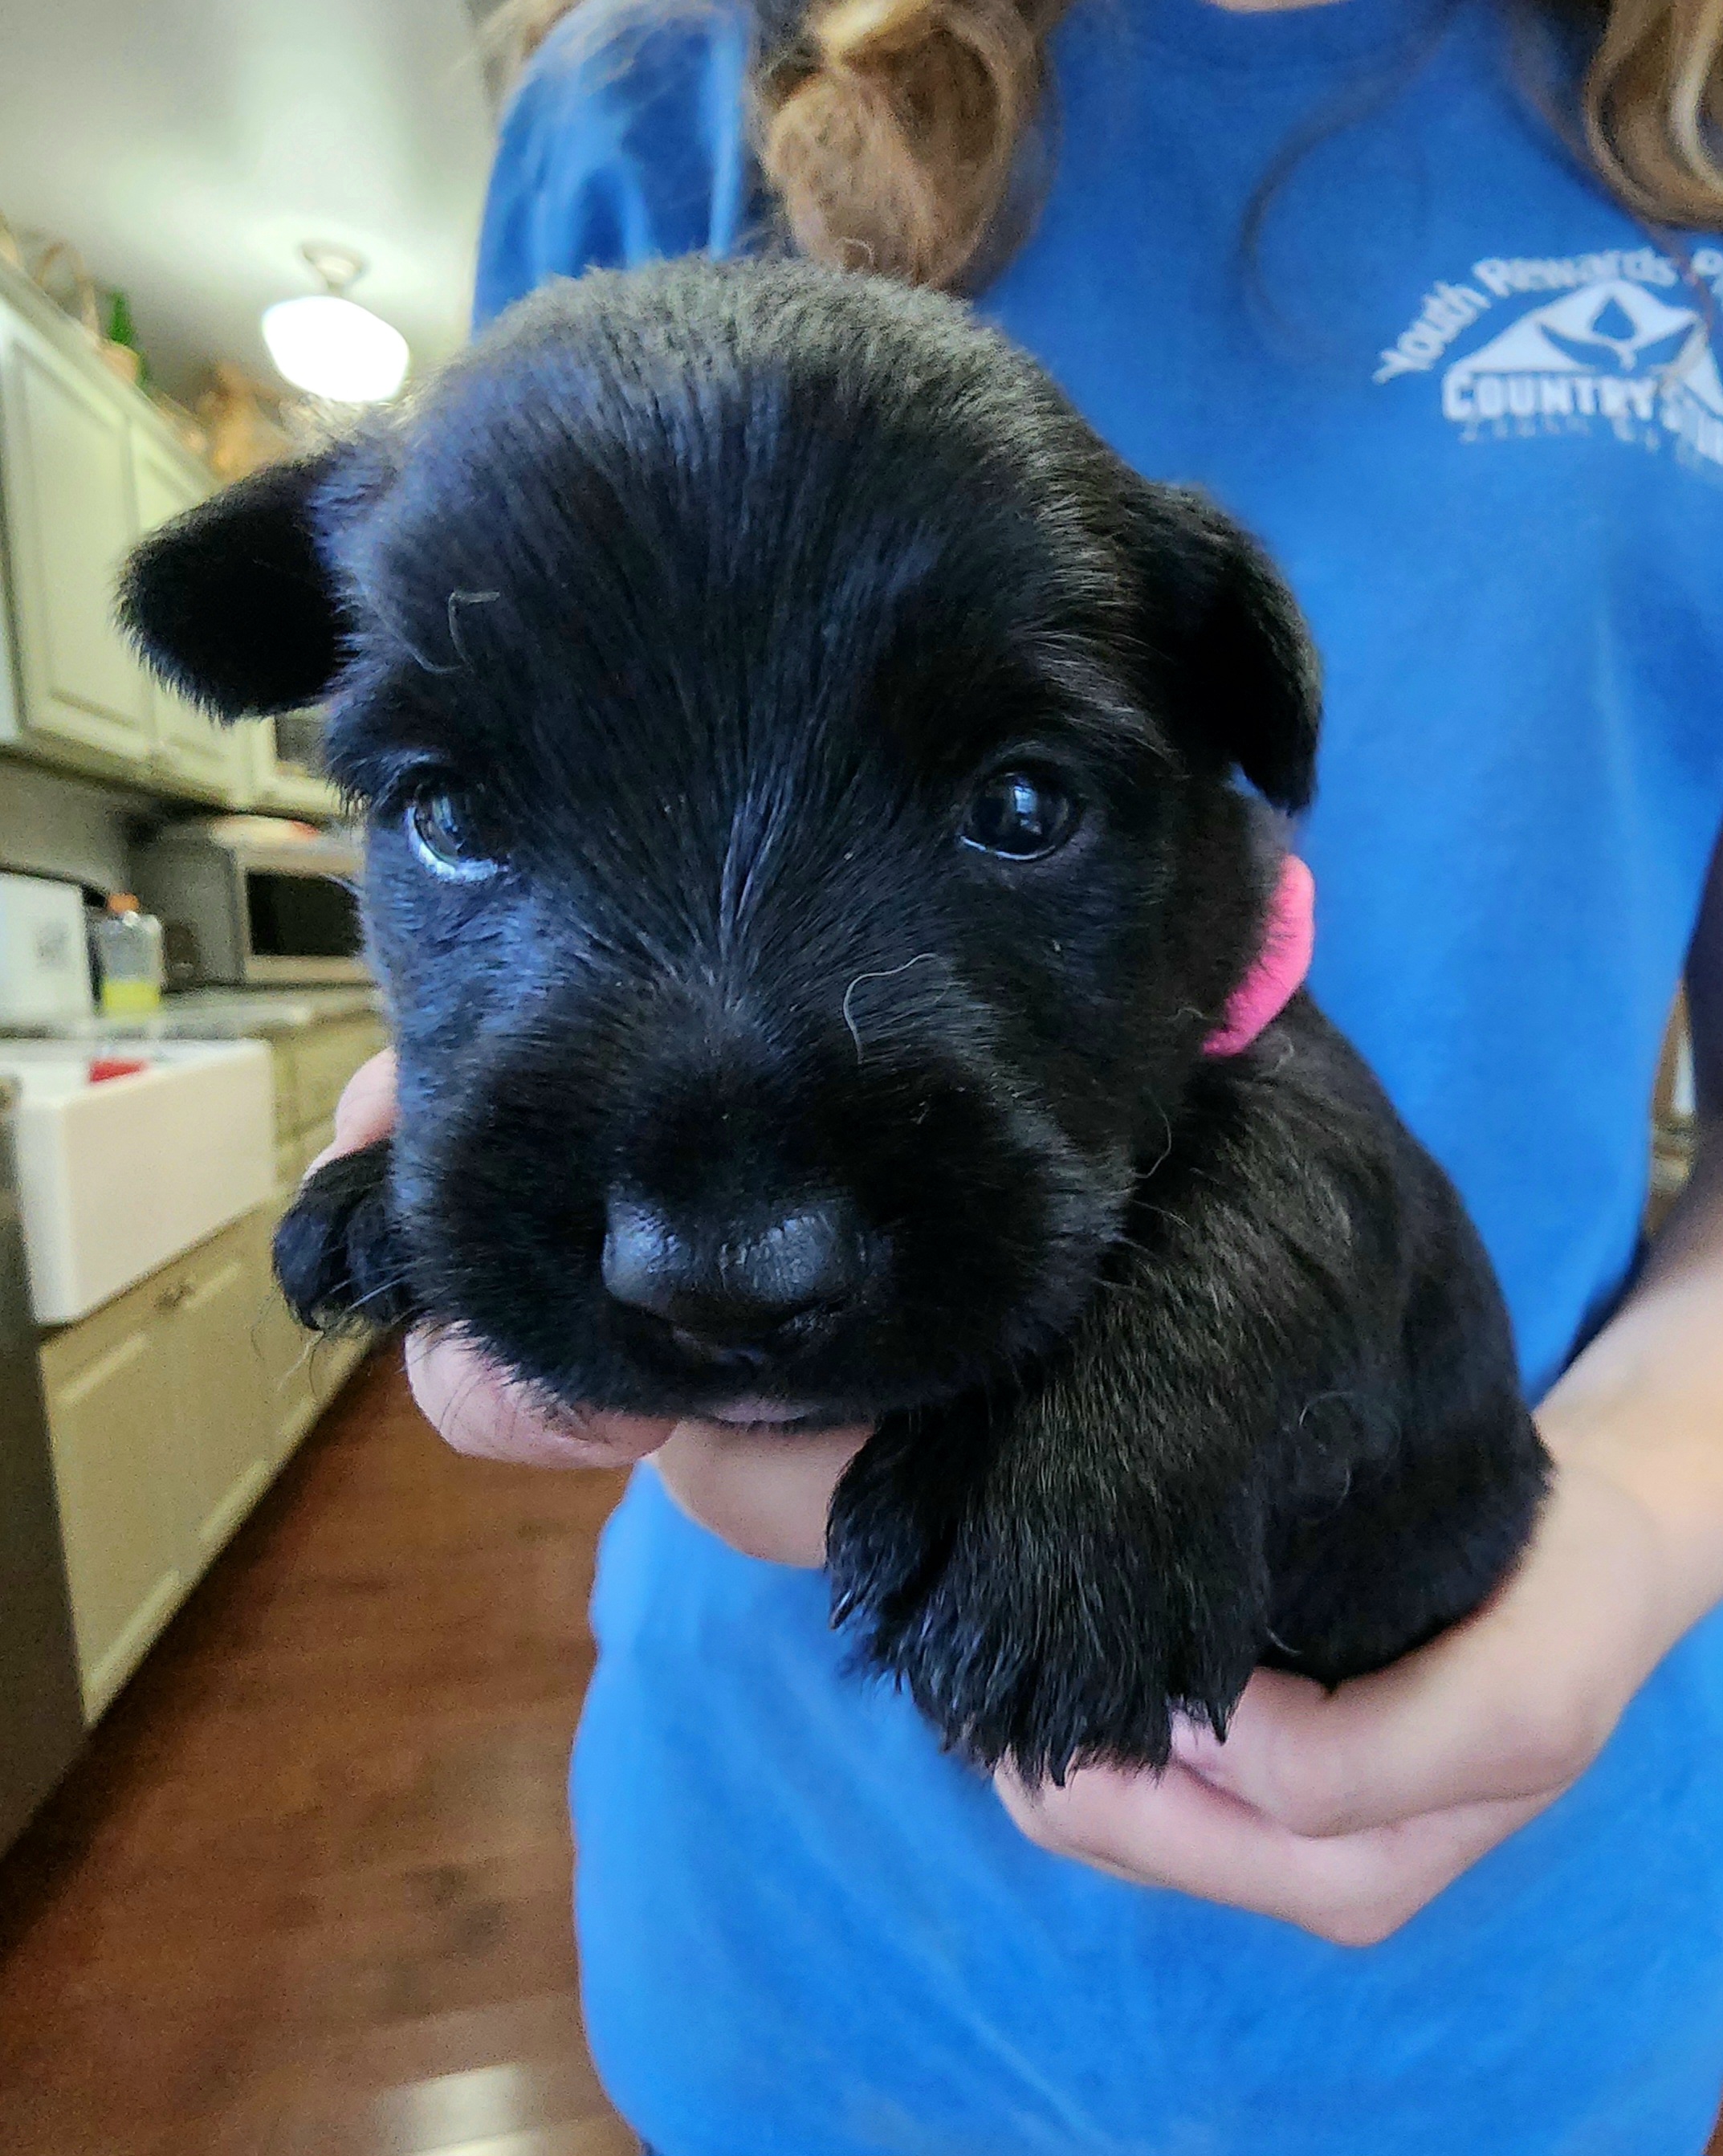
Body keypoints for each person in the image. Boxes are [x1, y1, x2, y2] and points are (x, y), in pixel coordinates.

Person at [320, 0, 1723, 2143]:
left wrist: (1628, 1522)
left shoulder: (1690, 133)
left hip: (1519, 1859)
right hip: (809, 1900)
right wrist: (456, 1167)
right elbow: (474, 768)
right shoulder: (661, 92)